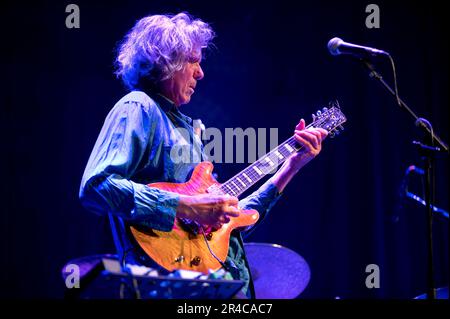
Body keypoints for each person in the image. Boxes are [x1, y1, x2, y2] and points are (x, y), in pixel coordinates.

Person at [79, 12, 328, 299]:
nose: (200, 73)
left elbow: (222, 229)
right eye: (193, 60)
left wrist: (290, 167)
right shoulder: (138, 107)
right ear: (165, 60)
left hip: (216, 289)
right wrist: (186, 205)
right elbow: (96, 187)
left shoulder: (188, 129)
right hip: (166, 288)